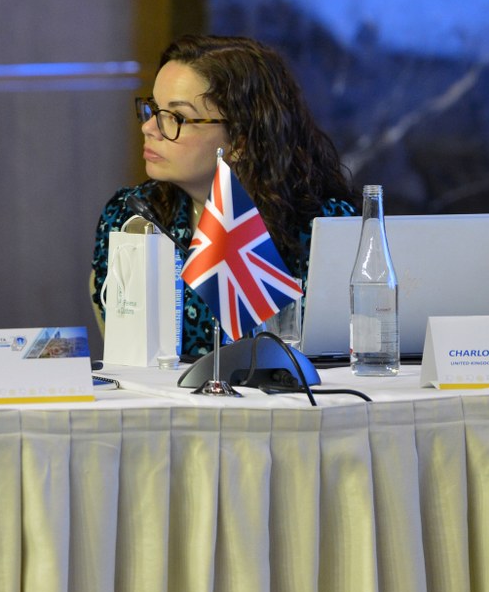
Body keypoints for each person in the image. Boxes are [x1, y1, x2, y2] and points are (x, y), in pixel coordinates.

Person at [90, 34, 356, 358]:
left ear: (240, 140)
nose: (149, 128)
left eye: (176, 117)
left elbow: (350, 352)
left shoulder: (325, 226)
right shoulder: (131, 215)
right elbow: (124, 353)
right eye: (154, 109)